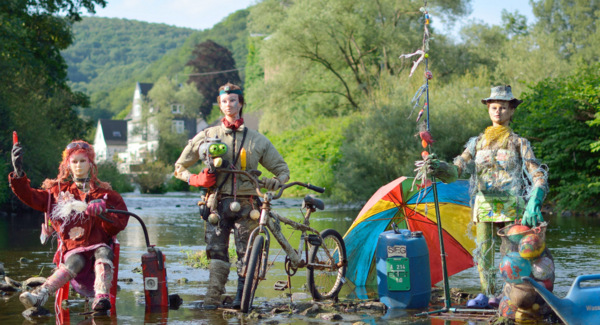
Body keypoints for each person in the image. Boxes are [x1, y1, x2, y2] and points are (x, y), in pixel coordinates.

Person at [424, 85, 548, 302]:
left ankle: (515, 295)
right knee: (484, 254)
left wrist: (534, 200)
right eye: (493, 107)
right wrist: (440, 168)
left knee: (514, 255)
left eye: (502, 107)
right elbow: (457, 170)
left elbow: (537, 175)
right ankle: (489, 296)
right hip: (484, 204)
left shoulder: (519, 143)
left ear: (511, 111)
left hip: (511, 203)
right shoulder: (476, 143)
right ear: (488, 110)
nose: (498, 111)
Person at [174, 82, 290, 309]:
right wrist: (196, 179)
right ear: (220, 105)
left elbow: (283, 171)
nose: (229, 105)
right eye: (224, 101)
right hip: (216, 204)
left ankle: (241, 298)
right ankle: (212, 298)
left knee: (246, 253)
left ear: (241, 103)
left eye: (233, 100)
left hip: (249, 206)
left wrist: (273, 182)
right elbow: (180, 167)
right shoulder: (207, 136)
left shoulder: (257, 140)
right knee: (216, 252)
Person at [9, 140, 129, 311]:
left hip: (101, 251)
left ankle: (101, 297)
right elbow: (30, 196)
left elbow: (118, 225)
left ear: (91, 164)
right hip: (74, 253)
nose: (78, 165)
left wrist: (104, 214)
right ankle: (40, 295)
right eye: (74, 161)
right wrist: (18, 172)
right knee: (75, 260)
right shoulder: (57, 193)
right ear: (67, 165)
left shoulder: (107, 195)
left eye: (83, 161)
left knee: (103, 251)